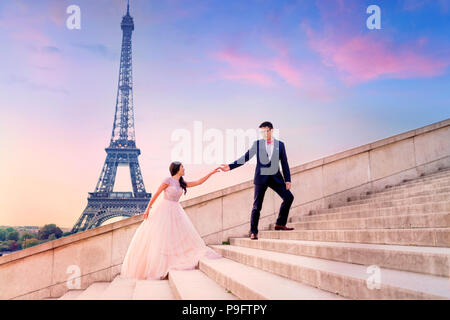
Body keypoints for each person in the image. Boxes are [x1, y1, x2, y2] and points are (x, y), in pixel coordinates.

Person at [120, 161, 223, 280]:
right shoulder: (168, 180)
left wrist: (212, 172)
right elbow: (157, 194)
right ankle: (159, 265)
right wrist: (148, 209)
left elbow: (198, 182)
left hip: (176, 211)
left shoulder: (182, 183)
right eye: (182, 167)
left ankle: (172, 260)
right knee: (161, 238)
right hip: (164, 210)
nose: (184, 168)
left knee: (175, 238)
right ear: (177, 169)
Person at [220, 121, 295, 240]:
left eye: (265, 131)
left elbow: (284, 163)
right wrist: (230, 166)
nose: (264, 134)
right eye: (261, 132)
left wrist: (288, 179)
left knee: (289, 198)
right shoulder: (257, 144)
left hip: (276, 178)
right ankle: (253, 231)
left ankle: (280, 223)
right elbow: (245, 157)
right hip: (261, 178)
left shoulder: (280, 145)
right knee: (257, 206)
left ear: (271, 130)